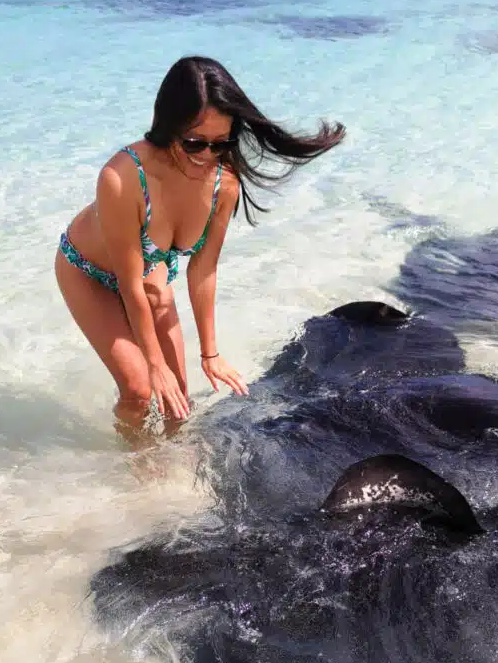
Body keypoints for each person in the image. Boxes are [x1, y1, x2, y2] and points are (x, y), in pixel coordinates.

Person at [54, 55, 345, 433]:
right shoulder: (122, 177)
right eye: (194, 143)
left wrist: (211, 354)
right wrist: (154, 364)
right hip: (87, 271)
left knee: (178, 407)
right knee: (140, 390)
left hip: (148, 276)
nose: (207, 155)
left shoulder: (225, 184)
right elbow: (128, 283)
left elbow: (203, 269)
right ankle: (134, 461)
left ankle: (171, 466)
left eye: (221, 143)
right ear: (169, 127)